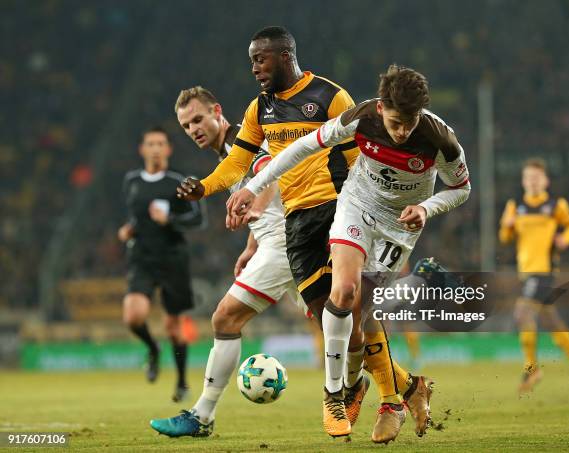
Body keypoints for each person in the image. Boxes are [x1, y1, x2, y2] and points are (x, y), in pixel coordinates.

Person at [176, 27, 420, 443]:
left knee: (351, 306)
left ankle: (360, 398)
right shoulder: (259, 110)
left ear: (286, 56)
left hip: (341, 209)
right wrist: (204, 187)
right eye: (252, 60)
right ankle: (396, 387)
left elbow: (359, 156)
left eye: (261, 59)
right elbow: (237, 164)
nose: (254, 68)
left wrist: (377, 218)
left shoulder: (330, 96)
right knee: (339, 318)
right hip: (299, 223)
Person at [227, 64, 471, 439]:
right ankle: (334, 395)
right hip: (357, 205)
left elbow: (461, 188)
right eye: (395, 122)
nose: (402, 131)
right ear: (381, 109)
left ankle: (382, 392)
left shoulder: (441, 139)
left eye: (409, 122)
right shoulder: (361, 117)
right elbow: (303, 147)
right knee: (342, 294)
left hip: (398, 227)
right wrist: (252, 186)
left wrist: (426, 208)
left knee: (364, 315)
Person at [150, 86, 304, 438]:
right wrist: (251, 245)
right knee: (341, 324)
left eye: (198, 119)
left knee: (225, 317)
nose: (194, 130)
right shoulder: (227, 155)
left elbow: (272, 172)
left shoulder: (240, 142)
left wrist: (259, 207)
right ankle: (404, 388)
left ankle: (201, 416)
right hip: (278, 241)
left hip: (285, 242)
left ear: (217, 111)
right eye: (187, 126)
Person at [118, 126, 204, 402]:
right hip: (142, 258)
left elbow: (197, 219)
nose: (155, 148)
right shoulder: (131, 181)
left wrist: (171, 221)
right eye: (150, 143)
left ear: (168, 150)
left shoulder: (178, 182)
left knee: (173, 327)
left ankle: (181, 381)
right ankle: (153, 349)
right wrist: (128, 229)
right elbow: (134, 215)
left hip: (172, 260)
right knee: (133, 316)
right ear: (142, 149)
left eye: (160, 144)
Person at [499, 158, 569, 393]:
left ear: (546, 181)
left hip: (545, 271)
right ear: (523, 181)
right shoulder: (515, 205)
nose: (532, 181)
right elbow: (504, 238)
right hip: (526, 272)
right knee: (551, 320)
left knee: (522, 313)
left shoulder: (555, 204)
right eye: (528, 177)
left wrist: (564, 239)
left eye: (537, 178)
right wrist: (507, 226)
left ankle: (532, 369)